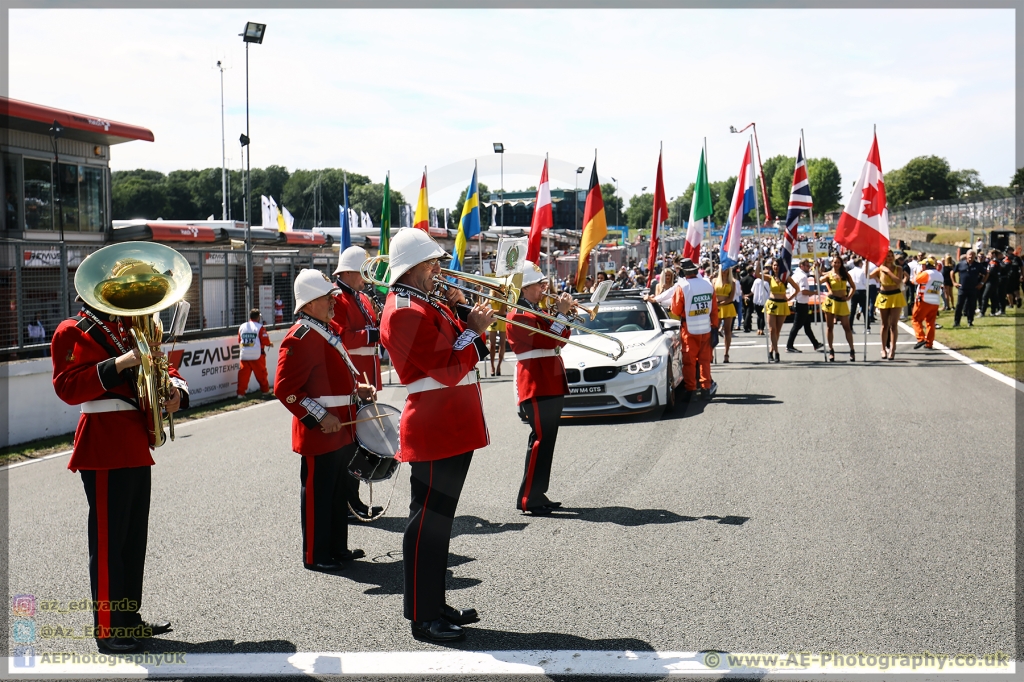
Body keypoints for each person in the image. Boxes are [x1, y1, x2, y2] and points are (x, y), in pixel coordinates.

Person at [50, 252, 189, 654]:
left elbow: (163, 365)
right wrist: (120, 363)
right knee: (110, 543)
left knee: (132, 540)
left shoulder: (134, 327)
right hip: (104, 443)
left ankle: (129, 619)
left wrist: (175, 391)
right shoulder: (72, 331)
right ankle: (109, 629)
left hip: (134, 441)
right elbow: (67, 385)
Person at [379, 228, 494, 643]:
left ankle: (435, 603)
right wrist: (476, 331)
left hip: (450, 423)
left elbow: (448, 343)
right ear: (413, 268)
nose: (439, 270)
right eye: (433, 264)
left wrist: (461, 314)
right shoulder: (405, 308)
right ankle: (423, 615)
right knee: (427, 523)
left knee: (440, 523)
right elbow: (445, 368)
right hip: (434, 424)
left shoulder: (423, 302)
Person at [274, 269, 376, 574]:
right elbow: (285, 389)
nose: (333, 301)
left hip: (341, 427)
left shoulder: (324, 329)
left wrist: (357, 391)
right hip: (322, 430)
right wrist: (320, 417)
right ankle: (316, 554)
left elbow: (329, 380)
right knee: (319, 494)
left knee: (336, 492)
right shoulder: (301, 335)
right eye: (325, 297)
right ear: (307, 304)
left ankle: (336, 547)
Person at [506, 261, 572, 515]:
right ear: (524, 288)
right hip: (536, 382)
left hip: (549, 379)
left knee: (548, 441)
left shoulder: (535, 310)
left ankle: (537, 492)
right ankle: (527, 497)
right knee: (540, 439)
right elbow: (549, 338)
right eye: (539, 285)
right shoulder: (519, 314)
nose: (545, 288)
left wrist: (561, 316)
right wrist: (562, 316)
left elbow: (562, 338)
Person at [331, 245, 385, 520]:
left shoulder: (362, 297)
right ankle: (349, 503)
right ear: (350, 272)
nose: (367, 277)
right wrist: (374, 333)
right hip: (352, 377)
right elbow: (343, 337)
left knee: (361, 443)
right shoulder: (336, 298)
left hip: (368, 376)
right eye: (363, 272)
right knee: (351, 446)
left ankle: (354, 501)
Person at [668, 258, 718, 399]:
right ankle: (706, 389)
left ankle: (691, 391)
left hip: (689, 330)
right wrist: (714, 326)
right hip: (706, 329)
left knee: (689, 362)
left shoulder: (682, 287)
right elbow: (714, 309)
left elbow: (676, 310)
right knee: (705, 361)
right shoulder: (708, 284)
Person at [870, 250, 907, 360]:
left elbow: (898, 281)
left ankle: (892, 349)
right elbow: (868, 276)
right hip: (884, 296)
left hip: (895, 295)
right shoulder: (880, 268)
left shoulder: (898, 269)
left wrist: (888, 272)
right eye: (887, 256)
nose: (890, 258)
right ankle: (883, 348)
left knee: (893, 324)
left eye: (891, 256)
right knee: (884, 324)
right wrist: (868, 265)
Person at [820, 258, 857, 362]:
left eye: (838, 262)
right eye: (835, 262)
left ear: (841, 263)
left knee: (847, 327)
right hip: (831, 302)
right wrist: (815, 270)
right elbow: (818, 281)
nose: (836, 264)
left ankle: (852, 350)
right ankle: (831, 350)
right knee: (829, 327)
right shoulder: (829, 274)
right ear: (832, 263)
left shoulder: (845, 274)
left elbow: (853, 287)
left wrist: (848, 297)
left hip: (842, 302)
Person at [785, 259, 823, 354]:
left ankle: (815, 343)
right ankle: (789, 345)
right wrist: (814, 292)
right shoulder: (802, 277)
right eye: (806, 266)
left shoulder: (795, 275)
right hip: (800, 303)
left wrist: (816, 267)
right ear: (801, 265)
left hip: (799, 302)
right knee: (796, 326)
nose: (808, 267)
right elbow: (804, 291)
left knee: (807, 326)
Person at [236, 308, 273, 398]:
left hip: (244, 354)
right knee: (262, 374)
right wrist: (269, 344)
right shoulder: (260, 327)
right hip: (257, 355)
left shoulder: (242, 326)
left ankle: (240, 394)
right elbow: (264, 340)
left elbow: (239, 340)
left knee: (243, 376)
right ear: (258, 317)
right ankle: (265, 391)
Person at [759, 258, 791, 363]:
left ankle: (771, 350)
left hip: (782, 305)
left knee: (777, 331)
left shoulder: (785, 278)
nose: (775, 267)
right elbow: (757, 274)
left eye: (777, 265)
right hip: (772, 304)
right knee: (772, 330)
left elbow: (797, 288)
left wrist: (789, 298)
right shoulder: (770, 277)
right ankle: (776, 352)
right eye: (774, 265)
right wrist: (759, 262)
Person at [912, 258, 943, 349]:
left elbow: (915, 281)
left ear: (926, 265)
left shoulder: (926, 273)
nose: (922, 266)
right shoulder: (939, 274)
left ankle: (921, 338)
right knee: (930, 322)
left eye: (923, 265)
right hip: (935, 300)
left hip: (924, 299)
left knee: (916, 319)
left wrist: (917, 273)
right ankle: (929, 343)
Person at [952, 250, 986, 328]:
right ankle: (956, 322)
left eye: (973, 255)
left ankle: (970, 321)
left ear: (975, 256)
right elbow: (952, 272)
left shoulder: (978, 265)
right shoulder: (961, 264)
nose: (971, 256)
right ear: (966, 255)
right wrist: (954, 282)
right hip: (962, 288)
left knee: (972, 306)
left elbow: (986, 274)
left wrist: (981, 283)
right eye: (970, 255)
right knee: (959, 305)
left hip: (973, 288)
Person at [713, 266, 737, 363]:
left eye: (726, 269)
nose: (724, 271)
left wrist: (722, 303)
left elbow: (731, 298)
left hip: (728, 306)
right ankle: (711, 352)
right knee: (714, 330)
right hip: (716, 307)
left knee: (727, 331)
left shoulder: (732, 282)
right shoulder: (714, 280)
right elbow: (712, 294)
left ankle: (726, 354)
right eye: (723, 269)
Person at [847, 257, 872, 332]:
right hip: (862, 291)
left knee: (852, 310)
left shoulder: (850, 272)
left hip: (853, 291)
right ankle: (867, 328)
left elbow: (848, 283)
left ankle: (850, 327)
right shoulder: (862, 272)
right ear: (860, 263)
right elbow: (865, 282)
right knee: (865, 310)